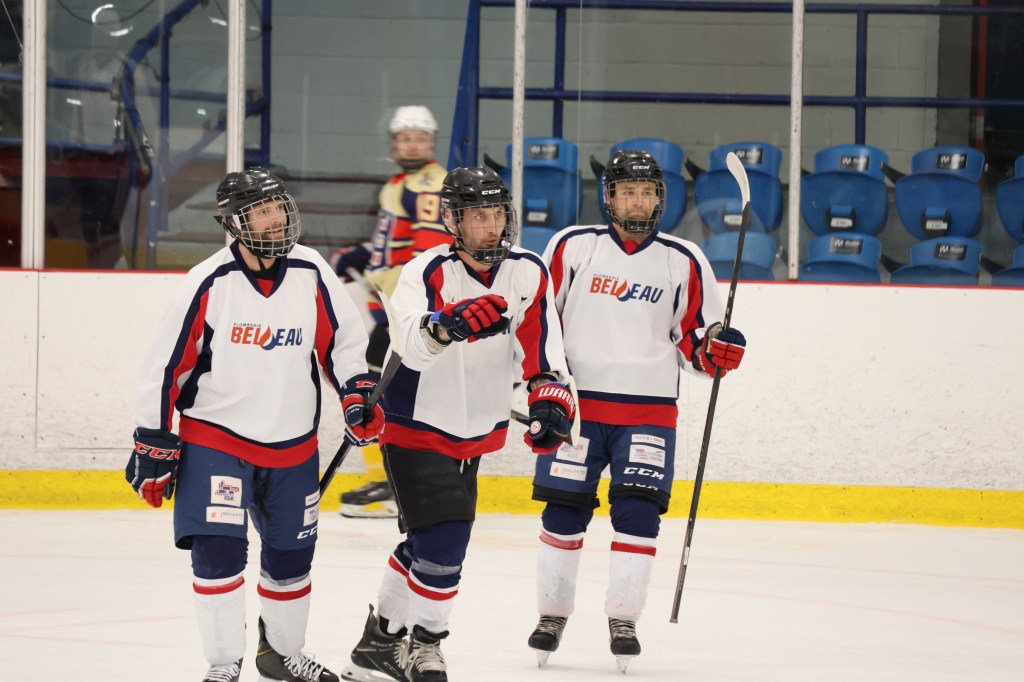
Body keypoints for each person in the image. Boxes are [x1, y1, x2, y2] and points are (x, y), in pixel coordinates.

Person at [126, 167, 385, 682]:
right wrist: (153, 437)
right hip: (216, 440)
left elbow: (343, 346)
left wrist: (356, 395)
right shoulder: (208, 281)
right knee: (218, 552)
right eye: (261, 212)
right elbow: (166, 367)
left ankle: (282, 654)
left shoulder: (311, 269)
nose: (275, 219)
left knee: (292, 556)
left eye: (278, 207)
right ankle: (224, 663)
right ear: (234, 223)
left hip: (293, 445)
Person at [340, 167, 575, 682]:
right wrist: (446, 326)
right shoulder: (425, 271)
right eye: (477, 216)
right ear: (453, 220)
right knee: (447, 538)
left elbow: (540, 348)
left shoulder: (528, 270)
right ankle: (425, 644)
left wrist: (549, 397)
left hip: (475, 430)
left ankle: (378, 641)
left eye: (496, 215)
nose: (490, 226)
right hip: (414, 421)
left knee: (425, 541)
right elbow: (409, 345)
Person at [526, 151, 748, 673]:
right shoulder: (572, 246)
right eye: (627, 191)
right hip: (577, 410)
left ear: (660, 199)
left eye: (647, 192)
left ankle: (623, 619)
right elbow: (540, 322)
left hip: (650, 413)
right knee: (563, 512)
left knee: (639, 513)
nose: (638, 201)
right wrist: (544, 387)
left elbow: (694, 339)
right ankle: (551, 615)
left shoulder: (683, 259)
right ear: (609, 197)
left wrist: (715, 351)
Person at [329, 105, 451, 518]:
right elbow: (394, 243)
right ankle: (392, 481)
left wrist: (415, 306)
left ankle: (393, 484)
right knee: (377, 388)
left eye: (420, 138)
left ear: (431, 142)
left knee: (376, 391)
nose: (412, 145)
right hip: (393, 310)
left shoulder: (428, 184)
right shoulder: (401, 183)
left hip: (406, 313)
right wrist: (363, 255)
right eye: (404, 138)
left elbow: (430, 252)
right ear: (394, 143)